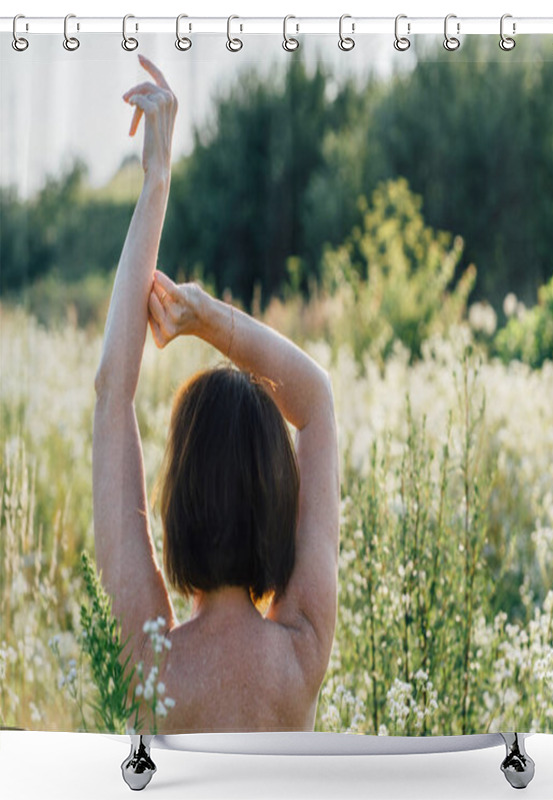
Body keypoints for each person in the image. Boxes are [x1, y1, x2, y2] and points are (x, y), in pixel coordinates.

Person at [93, 55, 339, 733]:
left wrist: (156, 180)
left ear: (179, 499)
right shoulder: (302, 653)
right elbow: (315, 401)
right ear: (279, 504)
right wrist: (208, 318)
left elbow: (113, 392)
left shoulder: (152, 668)